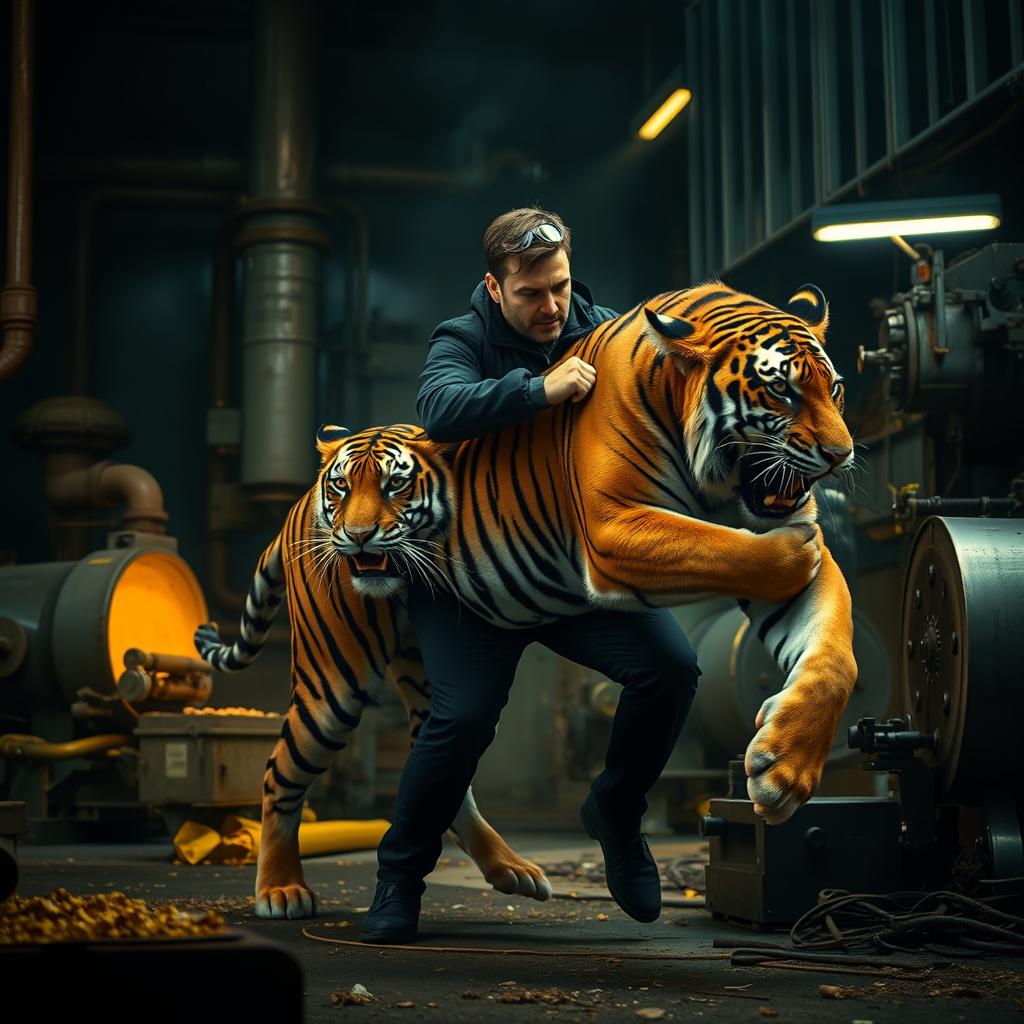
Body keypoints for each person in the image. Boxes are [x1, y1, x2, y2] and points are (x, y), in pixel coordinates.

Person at [361, 207, 701, 944]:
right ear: (495, 284)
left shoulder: (606, 329)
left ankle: (616, 809)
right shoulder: (463, 338)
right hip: (469, 579)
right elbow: (439, 409)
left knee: (671, 668)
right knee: (461, 721)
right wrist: (536, 390)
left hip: (572, 574)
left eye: (560, 288)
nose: (550, 307)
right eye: (531, 294)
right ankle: (399, 877)